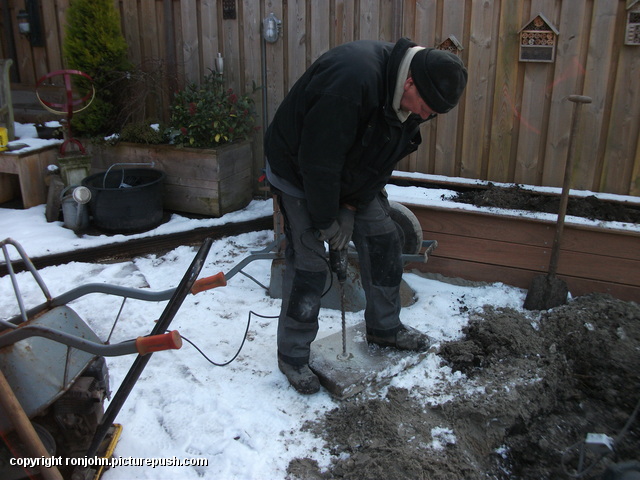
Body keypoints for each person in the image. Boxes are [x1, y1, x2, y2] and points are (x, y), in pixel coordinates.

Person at [264, 37, 468, 394]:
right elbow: (319, 161)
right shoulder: (351, 79)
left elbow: (380, 161)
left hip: (348, 171)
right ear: (409, 83)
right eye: (425, 108)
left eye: (433, 114)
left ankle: (385, 328)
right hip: (299, 168)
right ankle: (293, 356)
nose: (425, 117)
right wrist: (328, 220)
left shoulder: (412, 100)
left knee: (383, 239)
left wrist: (352, 207)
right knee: (311, 263)